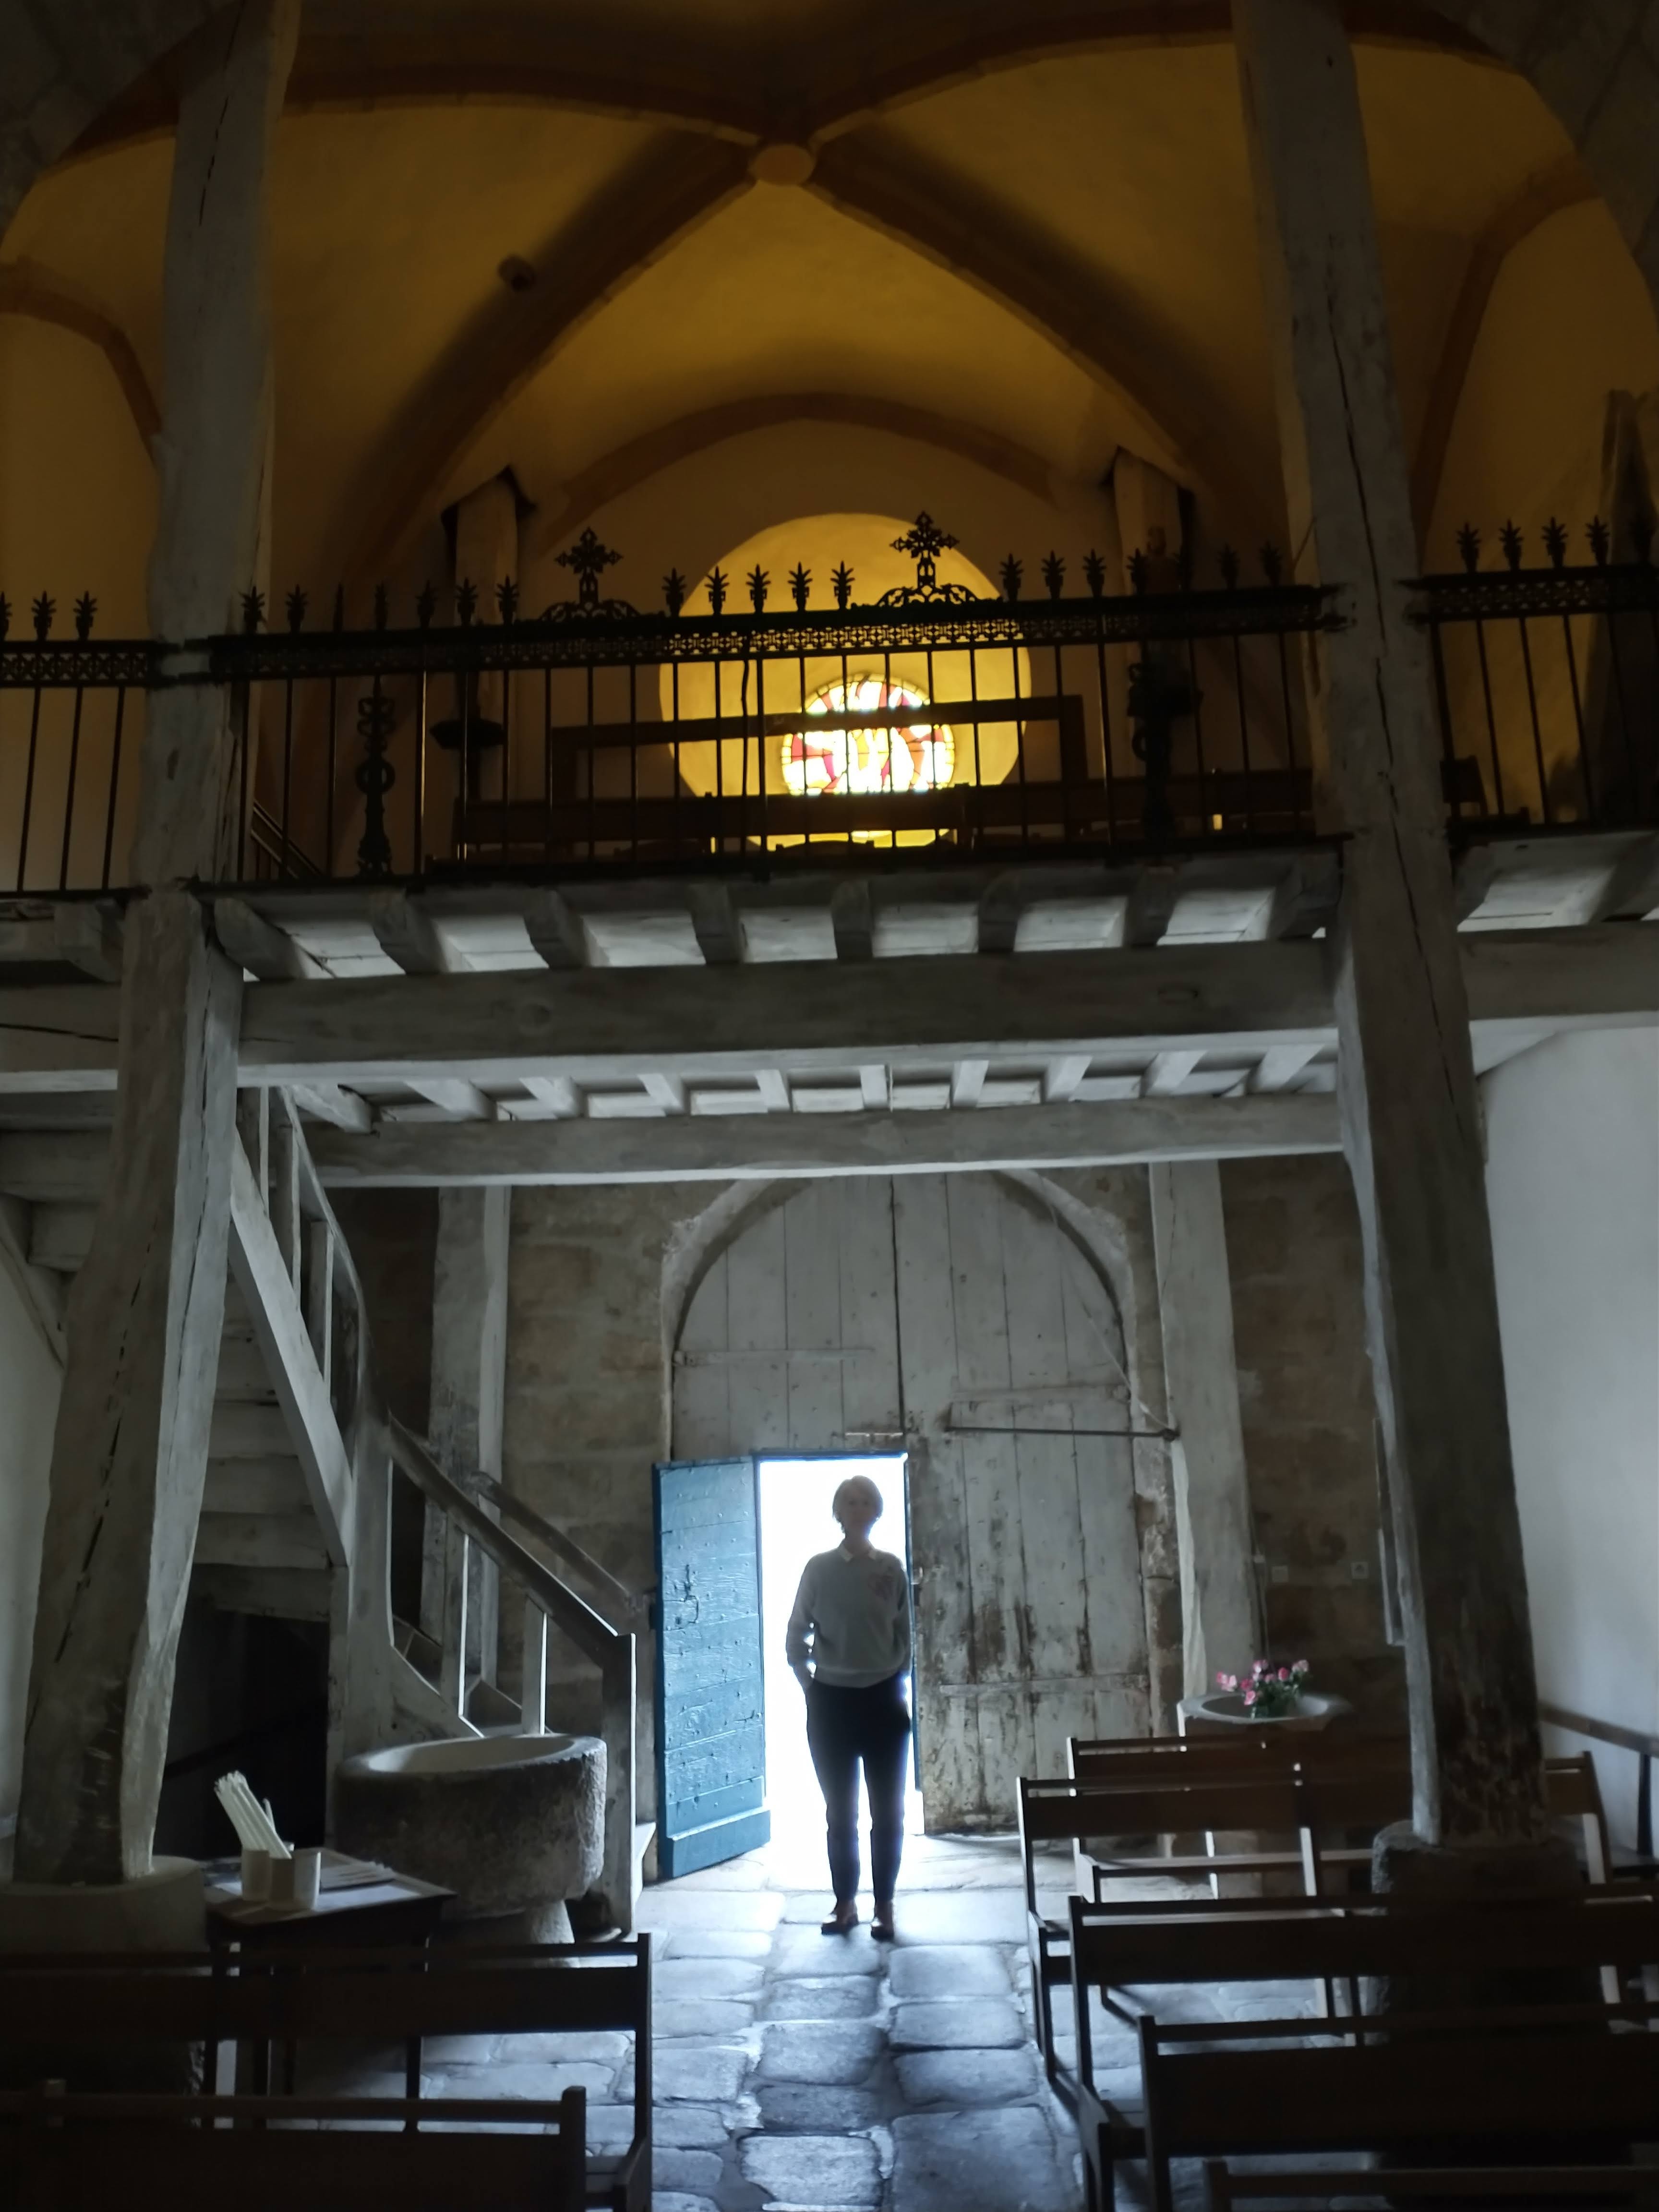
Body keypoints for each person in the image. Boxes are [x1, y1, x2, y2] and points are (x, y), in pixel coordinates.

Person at [784, 1473, 913, 1939]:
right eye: (849, 1502)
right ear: (838, 1512)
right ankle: (845, 1903)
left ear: (876, 1512)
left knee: (889, 1813)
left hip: (883, 1702)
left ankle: (885, 1906)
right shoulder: (819, 1569)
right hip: (832, 1704)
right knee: (840, 1813)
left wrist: (894, 1674)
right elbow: (796, 1634)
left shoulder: (890, 1569)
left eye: (865, 1502)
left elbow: (905, 1634)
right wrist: (811, 1686)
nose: (857, 1509)